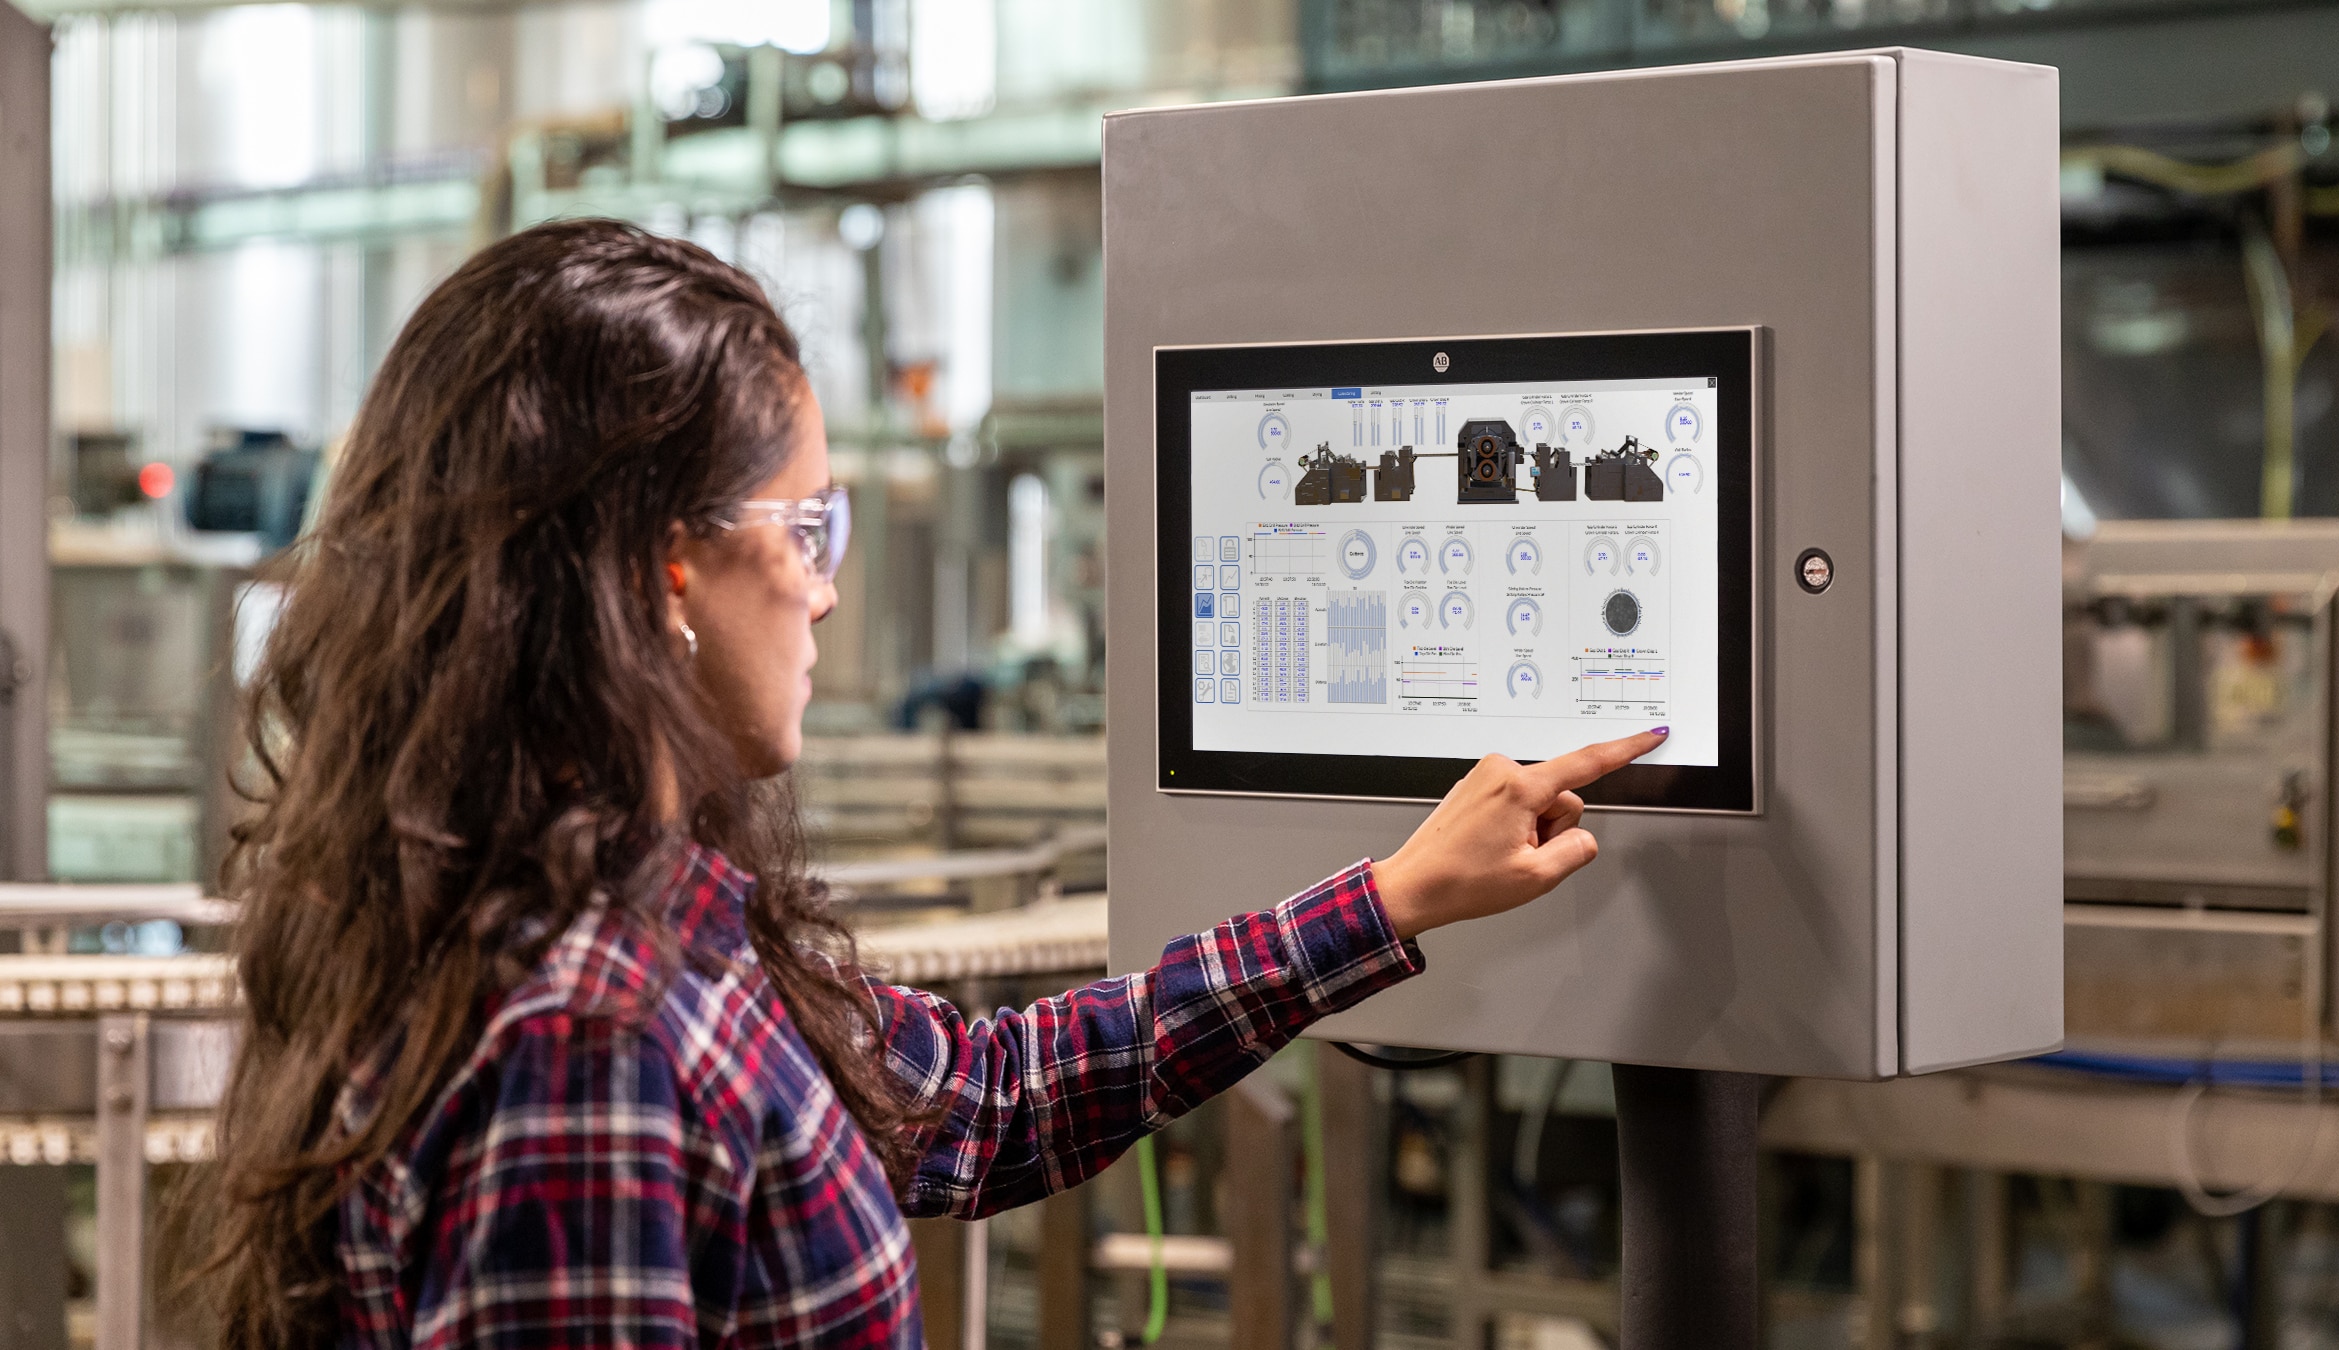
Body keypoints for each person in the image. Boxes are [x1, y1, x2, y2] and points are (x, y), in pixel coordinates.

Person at [187, 219, 1667, 1349]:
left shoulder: (646, 928)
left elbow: (981, 1097)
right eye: (807, 529)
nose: (828, 595)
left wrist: (1392, 899)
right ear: (666, 564)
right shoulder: (592, 1039)